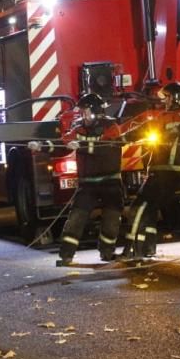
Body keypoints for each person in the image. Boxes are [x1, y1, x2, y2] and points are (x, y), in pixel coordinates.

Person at [121, 82, 180, 260]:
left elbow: (146, 128)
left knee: (138, 208)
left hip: (165, 170)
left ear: (176, 98)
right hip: (176, 171)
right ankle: (148, 248)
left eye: (168, 97)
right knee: (150, 208)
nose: (166, 101)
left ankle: (133, 250)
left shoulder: (171, 117)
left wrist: (122, 138)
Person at [57, 93, 125, 265]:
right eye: (81, 112)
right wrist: (42, 147)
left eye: (85, 111)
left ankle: (107, 252)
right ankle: (66, 255)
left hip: (110, 182)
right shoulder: (78, 128)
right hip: (87, 184)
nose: (82, 115)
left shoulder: (111, 127)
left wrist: (82, 146)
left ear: (95, 111)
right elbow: (62, 144)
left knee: (111, 220)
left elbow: (106, 149)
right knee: (76, 218)